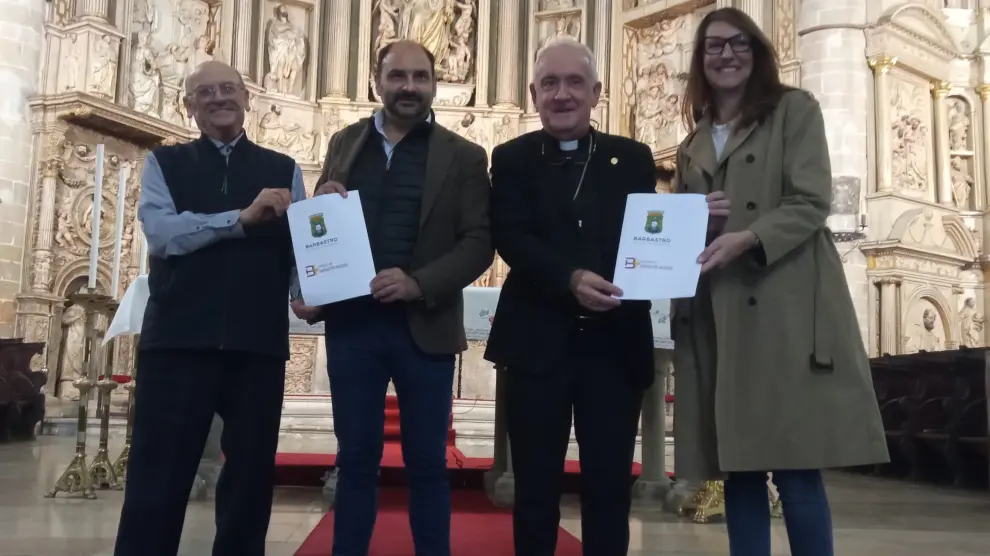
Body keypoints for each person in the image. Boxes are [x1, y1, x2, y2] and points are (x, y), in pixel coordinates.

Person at [484, 37, 728, 555]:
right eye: (549, 83)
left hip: (613, 350)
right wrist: (570, 277)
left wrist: (694, 223)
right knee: (533, 489)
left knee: (609, 490)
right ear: (533, 94)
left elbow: (646, 237)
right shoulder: (511, 158)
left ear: (597, 92)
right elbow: (511, 235)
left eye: (575, 82)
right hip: (536, 348)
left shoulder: (632, 158)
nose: (562, 94)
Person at [671, 8, 888, 556]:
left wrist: (748, 237)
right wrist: (701, 218)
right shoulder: (693, 140)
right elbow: (683, 227)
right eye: (714, 46)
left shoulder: (794, 110)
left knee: (794, 468)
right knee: (737, 469)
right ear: (700, 60)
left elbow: (812, 200)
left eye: (739, 44)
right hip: (721, 314)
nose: (726, 55)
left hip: (783, 306)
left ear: (759, 52)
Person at [291, 40, 493, 555]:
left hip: (423, 328)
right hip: (354, 328)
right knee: (355, 459)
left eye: (420, 77)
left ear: (433, 84)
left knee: (428, 463)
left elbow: (479, 243)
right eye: (398, 76)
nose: (409, 87)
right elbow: (318, 226)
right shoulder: (344, 142)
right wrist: (308, 284)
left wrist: (418, 282)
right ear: (376, 82)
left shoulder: (465, 155)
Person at [114, 61, 306, 556]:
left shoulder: (282, 168)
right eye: (205, 92)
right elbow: (163, 234)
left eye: (228, 89)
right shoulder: (164, 163)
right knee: (158, 478)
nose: (219, 98)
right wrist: (239, 219)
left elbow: (298, 249)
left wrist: (309, 288)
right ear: (188, 106)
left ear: (247, 98)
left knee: (248, 482)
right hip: (178, 342)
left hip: (256, 344)